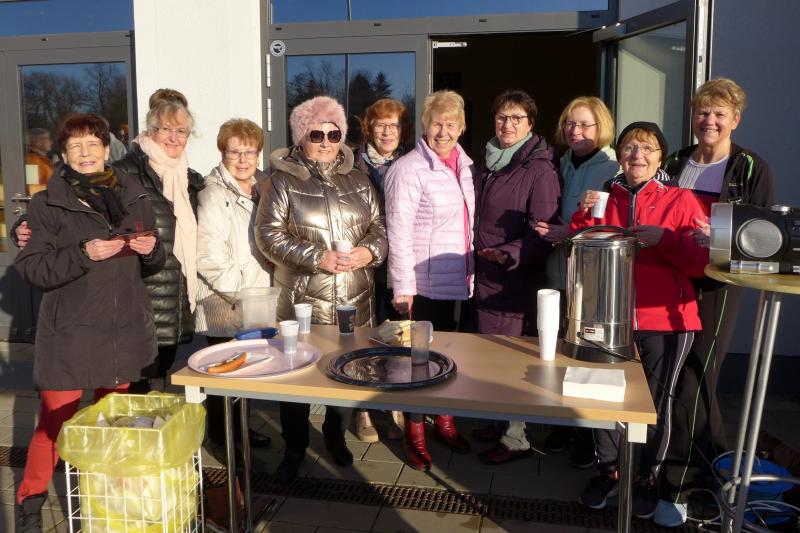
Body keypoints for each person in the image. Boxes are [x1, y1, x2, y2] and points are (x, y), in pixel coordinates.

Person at [14, 113, 165, 531]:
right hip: (71, 334)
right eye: (75, 146)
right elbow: (33, 267)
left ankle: (104, 507)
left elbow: (154, 261)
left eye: (93, 144)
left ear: (105, 149)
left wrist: (151, 250)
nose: (85, 153)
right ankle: (30, 503)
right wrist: (84, 254)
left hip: (122, 330)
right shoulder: (48, 203)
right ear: (63, 154)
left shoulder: (133, 195)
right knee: (54, 424)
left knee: (111, 426)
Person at [571, 122, 708, 522]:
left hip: (666, 319)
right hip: (608, 316)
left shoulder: (681, 199)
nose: (638, 155)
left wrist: (664, 239)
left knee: (654, 404)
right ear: (620, 155)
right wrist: (583, 215)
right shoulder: (606, 196)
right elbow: (581, 247)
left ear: (661, 157)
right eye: (630, 147)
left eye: (647, 148)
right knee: (600, 395)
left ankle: (648, 478)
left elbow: (701, 263)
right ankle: (610, 471)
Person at [658, 78, 775, 527]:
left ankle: (680, 485)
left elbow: (763, 234)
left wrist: (719, 236)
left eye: (719, 114)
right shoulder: (675, 161)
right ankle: (717, 465)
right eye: (703, 112)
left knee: (696, 374)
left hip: (717, 285)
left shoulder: (750, 167)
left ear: (735, 120)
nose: (709, 121)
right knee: (682, 377)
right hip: (671, 279)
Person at [255, 96, 388, 484]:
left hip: (354, 297)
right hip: (303, 300)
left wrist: (369, 252)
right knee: (294, 376)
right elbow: (268, 236)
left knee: (346, 371)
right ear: (301, 137)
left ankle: (334, 436)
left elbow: (379, 228)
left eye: (334, 134)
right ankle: (295, 448)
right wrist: (318, 257)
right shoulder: (282, 181)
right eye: (317, 134)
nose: (326, 142)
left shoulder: (359, 179)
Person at [469, 89, 561, 465]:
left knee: (511, 361)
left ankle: (516, 436)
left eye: (516, 118)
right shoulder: (489, 162)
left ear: (530, 124)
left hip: (514, 280)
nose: (507, 124)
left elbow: (543, 232)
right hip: (485, 276)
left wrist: (508, 254)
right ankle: (497, 420)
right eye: (502, 117)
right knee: (491, 358)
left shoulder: (539, 170)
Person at [384, 90, 474, 471]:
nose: (443, 131)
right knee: (417, 363)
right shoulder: (408, 169)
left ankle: (445, 419)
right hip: (422, 285)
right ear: (424, 125)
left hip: (456, 281)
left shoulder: (465, 165)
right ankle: (415, 433)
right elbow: (398, 230)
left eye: (451, 124)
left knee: (449, 357)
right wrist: (402, 286)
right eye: (437, 123)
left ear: (462, 128)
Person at [533, 96, 621, 469]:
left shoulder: (613, 167)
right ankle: (564, 425)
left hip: (591, 277)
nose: (575, 131)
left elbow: (611, 225)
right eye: (570, 123)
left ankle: (589, 434)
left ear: (601, 127)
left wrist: (565, 233)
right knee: (560, 350)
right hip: (558, 272)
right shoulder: (562, 162)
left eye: (584, 124)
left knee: (586, 354)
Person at [114, 88, 206, 393]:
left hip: (173, 297)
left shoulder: (190, 179)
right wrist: (28, 224)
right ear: (150, 130)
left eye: (182, 131)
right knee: (137, 379)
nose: (174, 138)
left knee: (159, 374)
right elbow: (82, 208)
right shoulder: (124, 173)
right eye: (166, 129)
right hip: (138, 296)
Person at [196, 118, 274, 456]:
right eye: (234, 152)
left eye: (250, 152)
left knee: (246, 368)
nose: (243, 160)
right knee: (223, 373)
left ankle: (240, 430)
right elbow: (209, 256)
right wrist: (241, 293)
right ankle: (223, 439)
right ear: (222, 153)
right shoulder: (214, 194)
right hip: (225, 300)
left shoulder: (264, 187)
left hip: (256, 295)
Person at [351, 98, 412, 443]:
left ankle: (394, 404)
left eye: (394, 125)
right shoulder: (351, 164)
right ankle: (364, 408)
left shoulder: (412, 163)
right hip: (362, 259)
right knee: (364, 333)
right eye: (380, 125)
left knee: (397, 333)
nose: (387, 132)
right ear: (369, 128)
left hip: (399, 261)